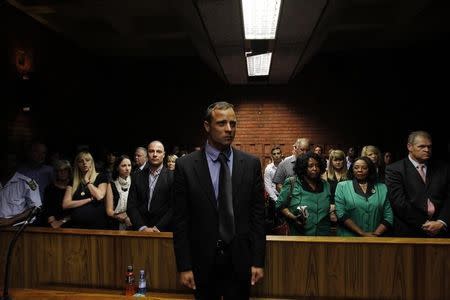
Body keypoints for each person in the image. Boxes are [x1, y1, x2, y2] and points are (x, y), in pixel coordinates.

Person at [173, 101, 265, 299]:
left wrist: (258, 261)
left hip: (240, 261)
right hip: (202, 261)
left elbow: (258, 217)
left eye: (233, 123)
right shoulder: (186, 166)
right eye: (222, 123)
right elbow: (181, 221)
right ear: (207, 126)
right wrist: (184, 266)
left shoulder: (250, 164)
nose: (229, 129)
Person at [385, 131, 450, 237]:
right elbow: (399, 203)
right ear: (409, 147)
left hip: (441, 230)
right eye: (422, 146)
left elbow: (448, 198)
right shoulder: (394, 169)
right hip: (410, 231)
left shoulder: (444, 168)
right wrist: (426, 225)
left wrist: (441, 222)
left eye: (429, 147)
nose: (427, 150)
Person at [276, 151, 331, 236]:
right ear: (303, 167)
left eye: (317, 165)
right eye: (310, 166)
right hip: (299, 234)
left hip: (323, 235)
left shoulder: (326, 185)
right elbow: (280, 206)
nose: (315, 169)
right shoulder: (291, 183)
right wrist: (293, 217)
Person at [335, 156, 393, 237]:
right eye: (356, 167)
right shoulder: (342, 186)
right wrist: (362, 233)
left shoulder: (382, 188)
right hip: (348, 238)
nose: (360, 170)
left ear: (370, 170)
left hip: (375, 238)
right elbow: (341, 214)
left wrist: (375, 235)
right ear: (352, 169)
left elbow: (389, 216)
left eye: (364, 168)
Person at [127, 140, 174, 232]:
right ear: (147, 154)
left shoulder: (173, 177)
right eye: (151, 151)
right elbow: (131, 205)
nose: (155, 154)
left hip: (164, 231)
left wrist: (158, 227)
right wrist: (142, 227)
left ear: (164, 155)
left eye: (159, 151)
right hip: (140, 230)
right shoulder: (137, 176)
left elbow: (175, 207)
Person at [62, 151, 109, 229]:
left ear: (92, 162)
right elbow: (66, 204)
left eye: (87, 160)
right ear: (77, 164)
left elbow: (99, 196)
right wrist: (89, 199)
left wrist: (87, 180)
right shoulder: (73, 181)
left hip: (97, 225)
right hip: (76, 226)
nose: (84, 163)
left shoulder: (101, 177)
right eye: (81, 161)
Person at [0, 152, 42, 227]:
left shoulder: (27, 182)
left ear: (17, 164)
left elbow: (35, 208)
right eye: (5, 161)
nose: (7, 164)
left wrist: (10, 221)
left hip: (18, 229)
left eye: (11, 161)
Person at [41, 159, 72, 228]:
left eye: (65, 170)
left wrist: (62, 221)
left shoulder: (74, 186)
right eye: (59, 170)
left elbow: (76, 210)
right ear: (56, 172)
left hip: (70, 223)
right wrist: (53, 222)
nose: (62, 172)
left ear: (69, 172)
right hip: (52, 224)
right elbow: (47, 208)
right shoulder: (49, 188)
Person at [105, 155, 133, 230]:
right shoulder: (111, 185)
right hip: (116, 223)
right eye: (123, 166)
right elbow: (109, 211)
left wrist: (129, 215)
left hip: (134, 220)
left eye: (129, 165)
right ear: (117, 168)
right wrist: (120, 217)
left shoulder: (135, 182)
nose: (127, 168)